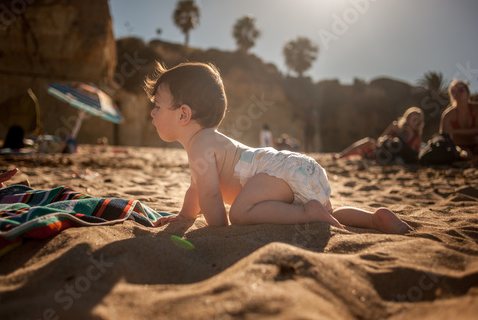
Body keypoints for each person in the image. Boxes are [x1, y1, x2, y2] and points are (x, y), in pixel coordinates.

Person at [145, 62, 410, 234]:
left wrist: (219, 232)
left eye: (157, 105)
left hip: (274, 172)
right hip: (297, 168)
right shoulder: (207, 142)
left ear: (183, 115)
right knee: (328, 211)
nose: (152, 113)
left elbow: (212, 197)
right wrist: (184, 215)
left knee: (238, 212)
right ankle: (375, 219)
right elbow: (197, 188)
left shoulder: (201, 144)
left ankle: (307, 213)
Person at [334, 107, 425, 161]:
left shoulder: (416, 138)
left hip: (391, 158)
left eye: (417, 120)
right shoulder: (395, 127)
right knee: (369, 141)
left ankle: (367, 157)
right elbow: (380, 139)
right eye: (413, 119)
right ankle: (341, 156)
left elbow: (414, 155)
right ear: (407, 118)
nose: (415, 122)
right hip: (380, 150)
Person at [440, 80, 478, 156]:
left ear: (467, 93)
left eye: (461, 90)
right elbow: (443, 136)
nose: (457, 93)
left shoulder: (476, 109)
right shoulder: (448, 114)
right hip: (457, 148)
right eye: (453, 91)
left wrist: (454, 131)